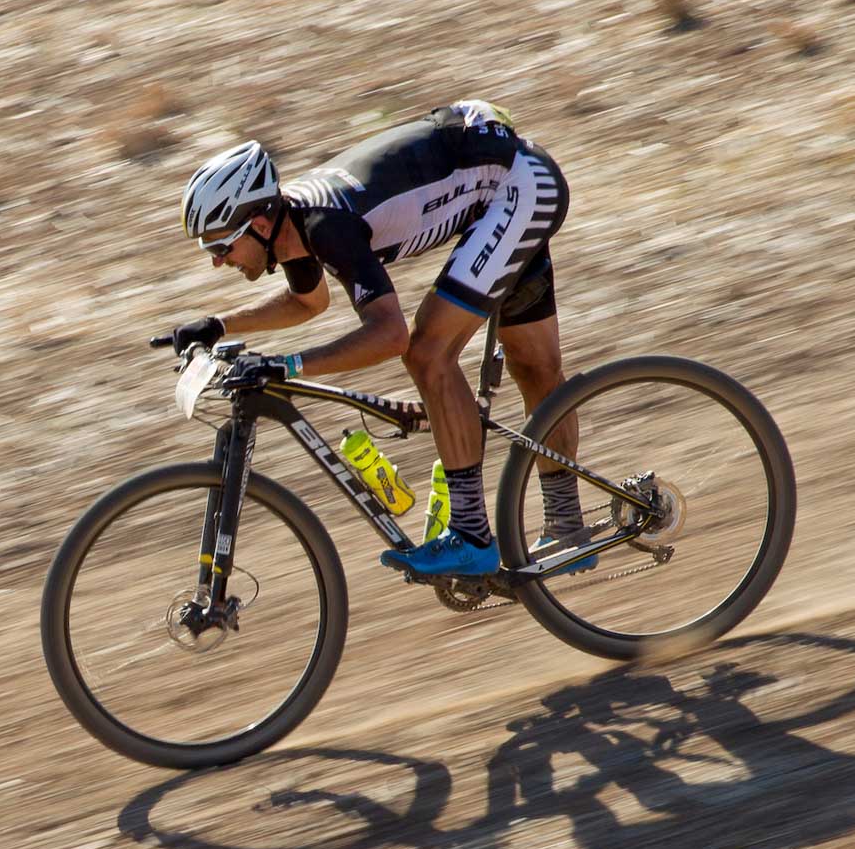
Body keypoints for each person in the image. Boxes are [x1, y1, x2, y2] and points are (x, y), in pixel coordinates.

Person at [167, 100, 586, 579]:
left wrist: (289, 367)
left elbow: (389, 335)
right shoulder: (291, 229)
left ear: (258, 224)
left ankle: (474, 537)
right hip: (500, 192)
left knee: (428, 351)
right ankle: (569, 529)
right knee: (532, 365)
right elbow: (307, 303)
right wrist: (219, 325)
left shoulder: (326, 225)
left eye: (221, 246)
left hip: (520, 187)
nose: (218, 262)